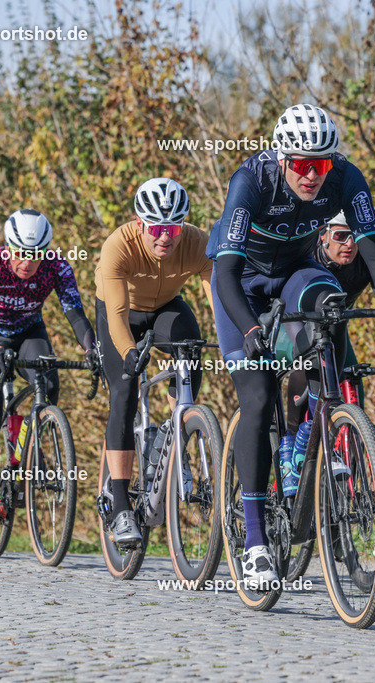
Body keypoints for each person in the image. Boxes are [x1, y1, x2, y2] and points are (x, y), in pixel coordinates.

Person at [207, 103, 375, 587]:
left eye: (320, 165)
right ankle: (257, 542)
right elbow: (223, 274)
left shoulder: (346, 177)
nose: (312, 175)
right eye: (302, 165)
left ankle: (325, 421)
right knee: (258, 397)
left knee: (330, 303)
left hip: (293, 274)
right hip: (239, 285)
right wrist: (249, 330)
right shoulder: (252, 181)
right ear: (283, 159)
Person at [95, 177, 213, 546]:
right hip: (122, 314)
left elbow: (218, 299)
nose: (166, 237)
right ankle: (119, 506)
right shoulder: (119, 245)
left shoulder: (196, 242)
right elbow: (115, 314)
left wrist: (236, 341)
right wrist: (130, 356)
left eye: (173, 228)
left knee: (191, 348)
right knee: (125, 391)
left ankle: (177, 432)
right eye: (157, 228)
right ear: (139, 223)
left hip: (165, 309)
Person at [280, 210, 375, 495]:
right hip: (292, 321)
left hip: (334, 329)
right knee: (309, 361)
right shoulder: (308, 253)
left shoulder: (361, 261)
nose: (349, 244)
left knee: (351, 378)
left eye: (354, 237)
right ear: (322, 235)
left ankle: (345, 451)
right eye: (340, 236)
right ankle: (292, 441)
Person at [0, 209, 96, 523]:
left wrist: (92, 347)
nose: (27, 263)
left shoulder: (56, 266)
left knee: (49, 387)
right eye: (21, 254)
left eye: (35, 255)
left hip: (28, 332)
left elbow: (75, 314)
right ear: (9, 247)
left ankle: (18, 454)